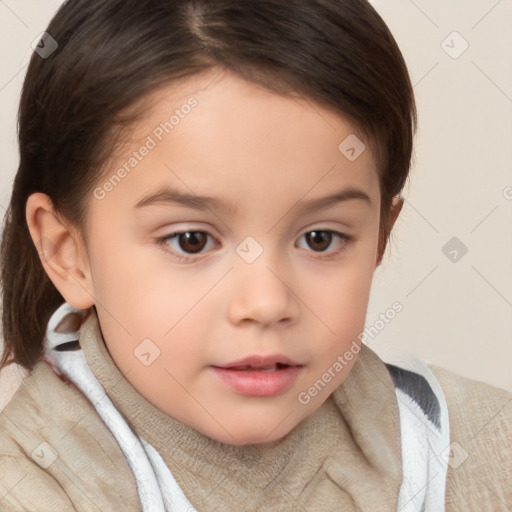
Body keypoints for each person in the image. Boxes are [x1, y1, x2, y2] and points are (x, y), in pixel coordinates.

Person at [0, 0, 510, 510]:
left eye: (320, 238)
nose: (266, 302)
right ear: (68, 252)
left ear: (379, 236)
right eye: (191, 240)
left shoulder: (482, 449)